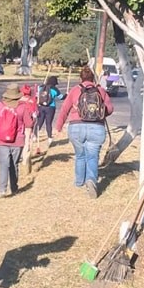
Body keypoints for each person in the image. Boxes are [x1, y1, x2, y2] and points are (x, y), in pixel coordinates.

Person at [55, 65, 113, 198]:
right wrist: (100, 114)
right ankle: (91, 180)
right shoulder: (100, 90)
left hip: (76, 127)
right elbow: (110, 109)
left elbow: (64, 109)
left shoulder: (75, 90)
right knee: (92, 156)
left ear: (80, 78)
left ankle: (79, 182)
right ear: (93, 78)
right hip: (97, 128)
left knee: (80, 155)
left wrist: (58, 127)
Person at [0, 84, 34, 197]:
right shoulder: (22, 107)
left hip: (0, 140)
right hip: (17, 140)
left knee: (3, 164)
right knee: (14, 164)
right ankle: (14, 187)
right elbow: (29, 123)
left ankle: (2, 190)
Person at [34, 75, 61, 146]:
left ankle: (34, 136)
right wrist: (67, 95)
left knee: (39, 122)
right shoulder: (55, 89)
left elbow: (36, 96)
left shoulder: (41, 87)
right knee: (48, 123)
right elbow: (61, 97)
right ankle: (49, 138)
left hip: (41, 107)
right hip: (50, 107)